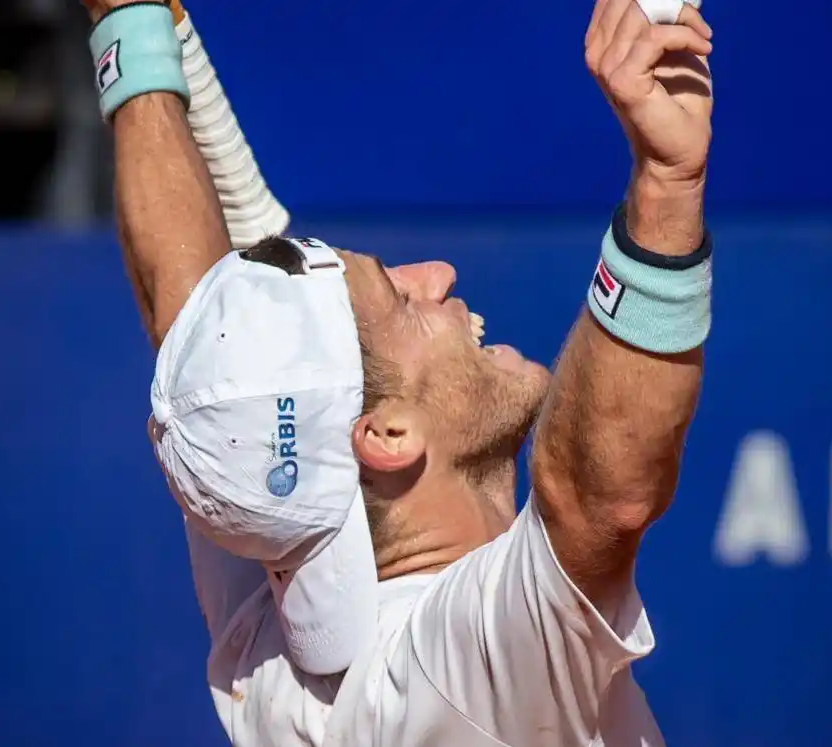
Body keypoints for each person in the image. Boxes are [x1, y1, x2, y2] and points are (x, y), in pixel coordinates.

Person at [80, 0, 713, 743]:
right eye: (401, 300)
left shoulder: (267, 583)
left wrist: (133, 19)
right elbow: (596, 498)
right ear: (385, 433)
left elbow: (198, 329)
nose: (437, 276)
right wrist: (667, 185)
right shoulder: (453, 673)